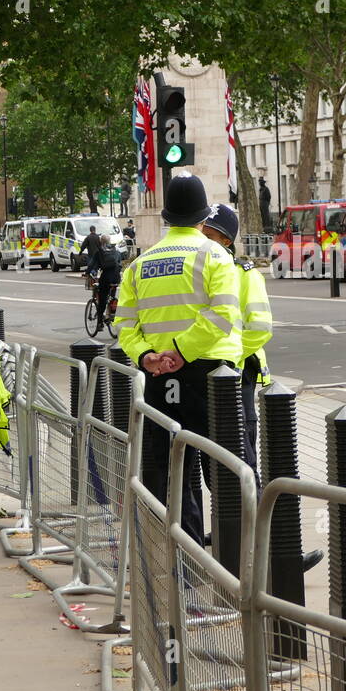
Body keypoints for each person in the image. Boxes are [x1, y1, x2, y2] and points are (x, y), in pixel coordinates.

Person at [116, 172, 242, 545]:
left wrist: (148, 356)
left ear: (165, 218)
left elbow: (124, 325)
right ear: (204, 218)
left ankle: (185, 561)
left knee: (175, 471)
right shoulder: (214, 254)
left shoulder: (141, 263)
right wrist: (183, 351)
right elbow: (223, 315)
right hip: (211, 373)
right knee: (225, 469)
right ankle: (231, 558)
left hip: (159, 377)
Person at [200, 203, 323, 572]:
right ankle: (230, 538)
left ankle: (273, 554)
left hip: (236, 377)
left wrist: (226, 361)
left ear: (224, 237)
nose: (201, 237)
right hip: (208, 376)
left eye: (208, 232)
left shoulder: (242, 272)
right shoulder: (198, 266)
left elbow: (258, 327)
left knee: (242, 465)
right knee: (214, 465)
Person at [92, 233, 122, 335]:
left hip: (106, 278)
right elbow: (120, 264)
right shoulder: (116, 251)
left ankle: (100, 322)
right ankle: (111, 311)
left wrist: (88, 273)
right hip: (116, 278)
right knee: (111, 295)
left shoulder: (100, 252)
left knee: (102, 300)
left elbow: (93, 265)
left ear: (101, 241)